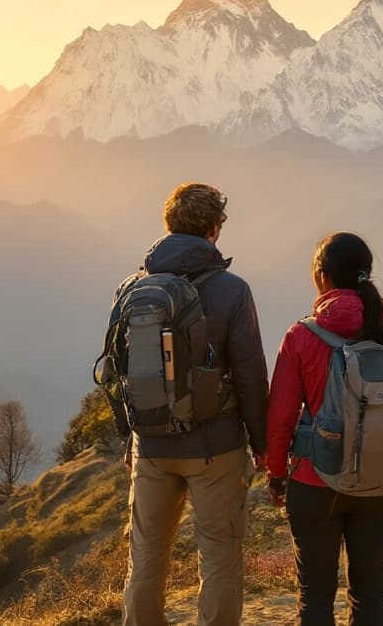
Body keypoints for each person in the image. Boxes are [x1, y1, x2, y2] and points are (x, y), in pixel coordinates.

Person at [105, 183, 269, 626]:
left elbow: (121, 371)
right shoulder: (233, 290)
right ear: (214, 229)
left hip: (151, 445)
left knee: (145, 560)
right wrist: (263, 443)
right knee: (219, 560)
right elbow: (251, 373)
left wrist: (131, 437)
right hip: (214, 448)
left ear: (169, 226)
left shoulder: (133, 287)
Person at [266, 231, 383, 626]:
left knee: (315, 599)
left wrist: (276, 473)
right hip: (380, 485)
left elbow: (281, 417)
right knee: (370, 597)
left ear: (322, 277)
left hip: (314, 482)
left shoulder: (301, 337)